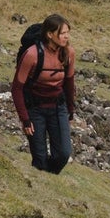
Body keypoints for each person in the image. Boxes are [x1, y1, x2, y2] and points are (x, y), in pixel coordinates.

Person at [12, 14, 77, 174]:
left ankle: (49, 177)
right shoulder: (32, 54)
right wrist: (25, 119)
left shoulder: (69, 53)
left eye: (68, 32)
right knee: (39, 159)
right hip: (35, 109)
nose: (66, 37)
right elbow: (17, 88)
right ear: (49, 34)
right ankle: (43, 183)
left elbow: (69, 83)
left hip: (58, 107)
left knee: (63, 154)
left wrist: (70, 111)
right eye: (62, 33)